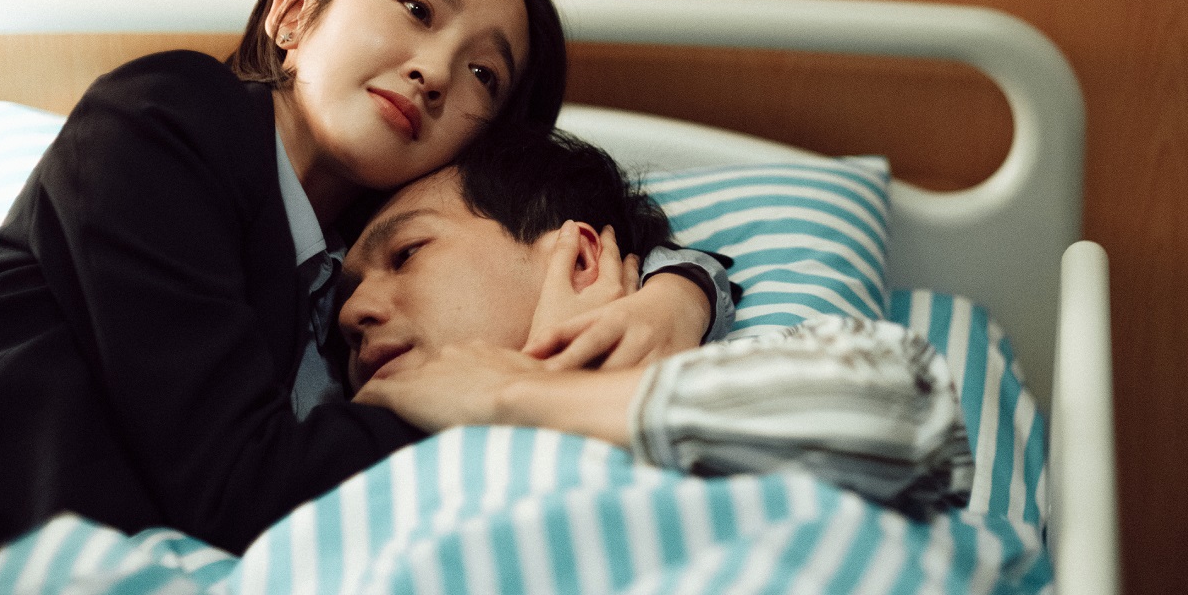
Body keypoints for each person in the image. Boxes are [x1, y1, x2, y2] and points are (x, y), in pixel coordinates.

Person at [0, 0, 730, 595]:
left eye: (483, 73)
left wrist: (678, 291)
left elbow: (557, 217)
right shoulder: (170, 119)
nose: (435, 71)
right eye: (416, 9)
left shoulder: (348, 281)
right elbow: (236, 487)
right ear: (294, 12)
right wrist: (513, 393)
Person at [343, 130, 975, 516]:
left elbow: (909, 417)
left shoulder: (737, 381)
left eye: (406, 254)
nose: (350, 313)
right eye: (343, 295)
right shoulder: (347, 474)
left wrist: (516, 394)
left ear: (582, 259)